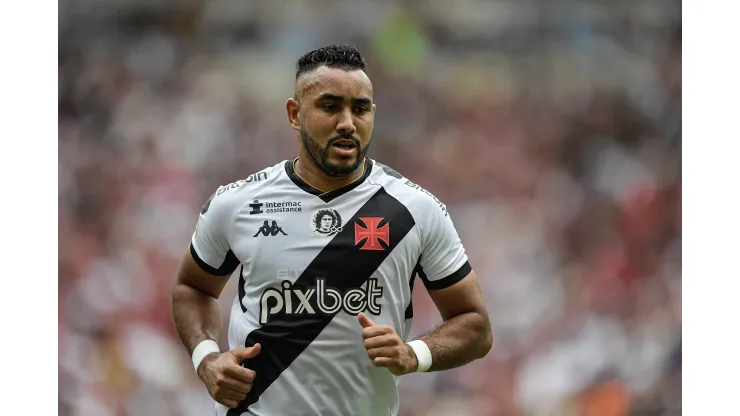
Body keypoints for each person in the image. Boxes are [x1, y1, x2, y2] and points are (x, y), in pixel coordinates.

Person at [172, 44, 493, 416]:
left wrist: (414, 353)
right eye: (330, 106)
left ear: (373, 114)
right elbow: (192, 287)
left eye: (359, 109)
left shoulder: (416, 210)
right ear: (294, 114)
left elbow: (476, 325)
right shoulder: (238, 203)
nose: (347, 123)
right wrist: (206, 358)